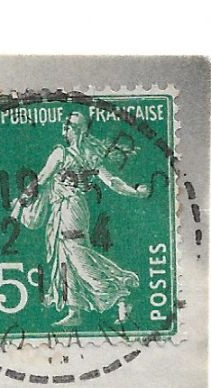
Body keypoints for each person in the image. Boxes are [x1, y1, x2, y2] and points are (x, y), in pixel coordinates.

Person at [14, 109, 152, 328]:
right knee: (65, 256)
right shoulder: (87, 156)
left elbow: (41, 179)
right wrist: (134, 192)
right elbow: (112, 182)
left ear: (78, 130)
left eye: (69, 125)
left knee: (76, 254)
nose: (65, 129)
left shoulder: (62, 154)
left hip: (70, 209)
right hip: (68, 209)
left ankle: (119, 291)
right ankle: (75, 310)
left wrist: (21, 201)